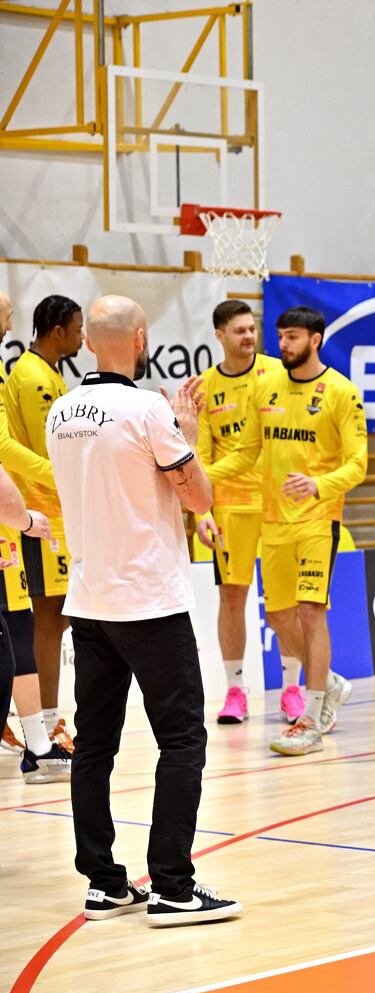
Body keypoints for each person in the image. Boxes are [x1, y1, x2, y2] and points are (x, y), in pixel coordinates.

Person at [51, 294, 241, 926]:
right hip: (150, 601)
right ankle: (172, 886)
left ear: (88, 342)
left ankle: (104, 884)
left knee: (95, 745)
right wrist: (188, 436)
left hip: (89, 601)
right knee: (183, 739)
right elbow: (198, 496)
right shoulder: (147, 409)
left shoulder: (60, 411)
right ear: (139, 340)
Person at [205, 306, 368, 756]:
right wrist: (194, 476)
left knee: (311, 611)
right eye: (280, 337)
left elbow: (358, 464)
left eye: (292, 337)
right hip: (273, 521)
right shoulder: (267, 387)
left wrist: (319, 485)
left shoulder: (341, 392)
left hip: (317, 518)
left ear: (315, 340)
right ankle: (327, 681)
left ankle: (310, 720)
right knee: (279, 617)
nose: (283, 345)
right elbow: (245, 452)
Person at [192, 300, 289, 725]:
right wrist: (201, 511)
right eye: (239, 331)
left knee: (286, 600)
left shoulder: (278, 373)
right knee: (232, 598)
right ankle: (235, 691)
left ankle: (292, 690)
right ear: (219, 336)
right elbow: (200, 456)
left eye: (252, 329)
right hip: (231, 507)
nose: (249, 336)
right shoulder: (205, 387)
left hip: (278, 502)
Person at [6, 293, 83, 753]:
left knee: (63, 615)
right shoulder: (34, 377)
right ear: (57, 332)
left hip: (55, 512)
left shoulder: (49, 373)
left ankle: (38, 718)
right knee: (49, 618)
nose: (81, 338)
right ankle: (48, 722)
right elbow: (47, 448)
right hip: (37, 515)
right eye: (77, 330)